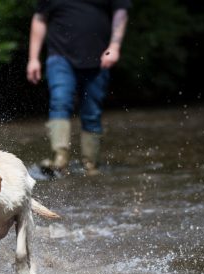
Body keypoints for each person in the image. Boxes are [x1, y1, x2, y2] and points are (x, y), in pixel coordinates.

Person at [27, 0, 130, 176]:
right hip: (59, 56)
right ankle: (59, 160)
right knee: (60, 101)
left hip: (99, 57)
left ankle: (90, 165)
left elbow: (120, 12)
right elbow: (39, 18)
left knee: (92, 112)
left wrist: (115, 46)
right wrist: (33, 58)